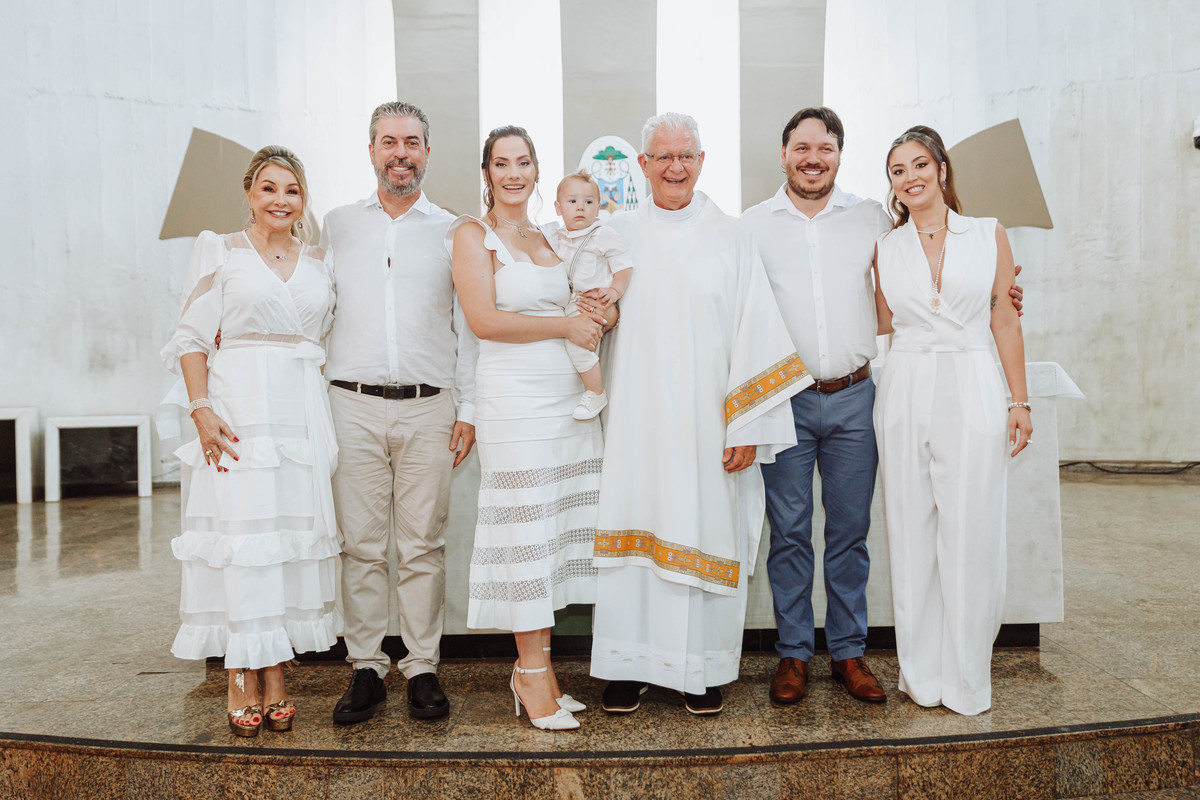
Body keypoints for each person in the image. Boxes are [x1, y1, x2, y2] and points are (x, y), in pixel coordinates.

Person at [590, 112, 812, 716]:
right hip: (636, 421)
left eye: (685, 155)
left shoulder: (732, 235)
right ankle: (626, 666)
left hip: (708, 424)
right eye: (662, 156)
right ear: (642, 166)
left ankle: (699, 669)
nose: (675, 167)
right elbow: (586, 315)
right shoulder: (615, 235)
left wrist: (747, 423)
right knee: (634, 527)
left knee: (703, 528)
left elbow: (756, 330)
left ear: (702, 161)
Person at [159, 146, 341, 736]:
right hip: (239, 412)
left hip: (300, 415)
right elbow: (190, 336)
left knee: (284, 544)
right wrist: (201, 408)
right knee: (244, 541)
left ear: (302, 198)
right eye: (269, 188)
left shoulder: (320, 260)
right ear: (250, 193)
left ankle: (278, 670)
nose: (280, 200)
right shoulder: (222, 251)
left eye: (291, 190)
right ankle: (241, 669)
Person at [449, 126, 609, 730]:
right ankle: (529, 672)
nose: (513, 173)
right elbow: (485, 320)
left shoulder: (549, 236)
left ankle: (539, 668)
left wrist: (599, 309)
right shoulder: (472, 234)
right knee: (525, 533)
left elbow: (582, 300)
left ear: (538, 170)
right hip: (514, 400)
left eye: (523, 162)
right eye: (501, 163)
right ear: (486, 172)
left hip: (565, 398)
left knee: (553, 532)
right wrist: (566, 328)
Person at [322, 102, 478, 724]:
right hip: (350, 404)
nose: (401, 153)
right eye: (389, 142)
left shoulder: (454, 231)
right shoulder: (335, 226)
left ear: (428, 151)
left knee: (421, 546)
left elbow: (468, 325)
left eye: (412, 141)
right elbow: (306, 301)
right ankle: (365, 668)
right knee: (359, 546)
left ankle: (422, 668)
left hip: (429, 407)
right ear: (370, 151)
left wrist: (468, 408)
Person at [872, 127, 1032, 715]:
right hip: (906, 384)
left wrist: (1020, 400)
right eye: (897, 170)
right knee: (910, 532)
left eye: (919, 164)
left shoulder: (988, 235)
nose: (909, 177)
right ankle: (920, 675)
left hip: (970, 381)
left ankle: (967, 678)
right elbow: (882, 324)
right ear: (891, 184)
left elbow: (1005, 321)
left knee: (969, 531)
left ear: (941, 168)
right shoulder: (885, 249)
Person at [545, 170, 633, 420]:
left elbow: (624, 265)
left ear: (598, 207)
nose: (580, 208)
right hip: (570, 303)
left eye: (588, 202)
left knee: (578, 345)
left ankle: (595, 392)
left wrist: (614, 291)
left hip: (591, 303)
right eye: (572, 202)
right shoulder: (557, 237)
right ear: (558, 207)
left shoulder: (602, 234)